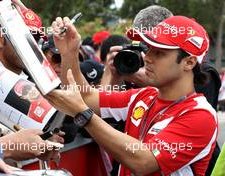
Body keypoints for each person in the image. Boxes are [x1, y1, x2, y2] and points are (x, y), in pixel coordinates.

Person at [46, 15, 217, 175]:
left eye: (159, 52)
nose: (147, 57)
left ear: (189, 62)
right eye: (149, 48)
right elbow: (85, 97)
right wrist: (69, 52)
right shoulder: (145, 95)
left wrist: (85, 115)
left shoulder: (201, 115)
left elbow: (143, 162)